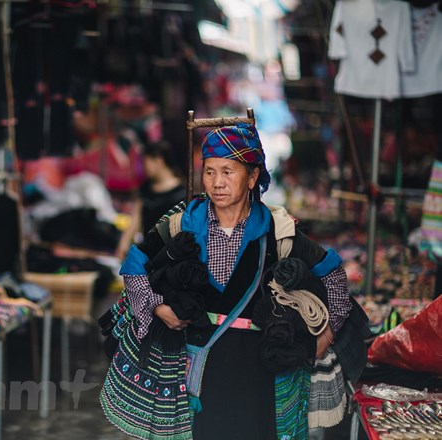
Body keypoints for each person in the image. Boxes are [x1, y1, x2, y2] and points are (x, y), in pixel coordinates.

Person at [100, 123, 356, 440]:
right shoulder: (184, 222)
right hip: (199, 362)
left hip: (259, 366)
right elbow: (134, 263)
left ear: (252, 177)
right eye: (209, 172)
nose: (217, 183)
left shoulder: (278, 229)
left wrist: (326, 335)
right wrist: (156, 308)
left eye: (228, 171)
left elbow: (332, 273)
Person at [115, 140, 186, 260]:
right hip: (148, 252)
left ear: (158, 161)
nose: (144, 168)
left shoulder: (182, 192)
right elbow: (136, 219)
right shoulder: (145, 189)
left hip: (171, 254)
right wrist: (124, 243)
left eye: (145, 162)